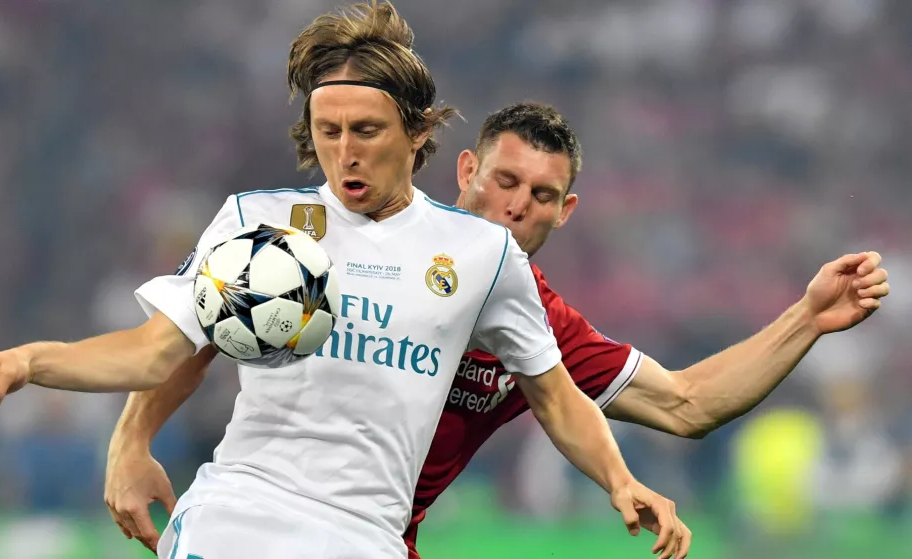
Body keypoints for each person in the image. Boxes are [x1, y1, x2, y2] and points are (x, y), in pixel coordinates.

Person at [0, 4, 688, 559]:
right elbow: (154, 353)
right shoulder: (256, 222)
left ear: (417, 131)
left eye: (365, 131)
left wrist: (619, 480)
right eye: (327, 130)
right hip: (234, 518)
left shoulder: (481, 254)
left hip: (361, 536)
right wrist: (30, 360)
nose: (344, 154)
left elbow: (556, 397)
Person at [102, 102, 890, 559]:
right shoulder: (356, 233)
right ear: (467, 171)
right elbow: (202, 326)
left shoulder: (535, 320)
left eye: (543, 195)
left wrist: (807, 319)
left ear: (565, 211)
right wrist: (130, 443)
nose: (518, 204)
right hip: (259, 520)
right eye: (506, 181)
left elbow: (687, 403)